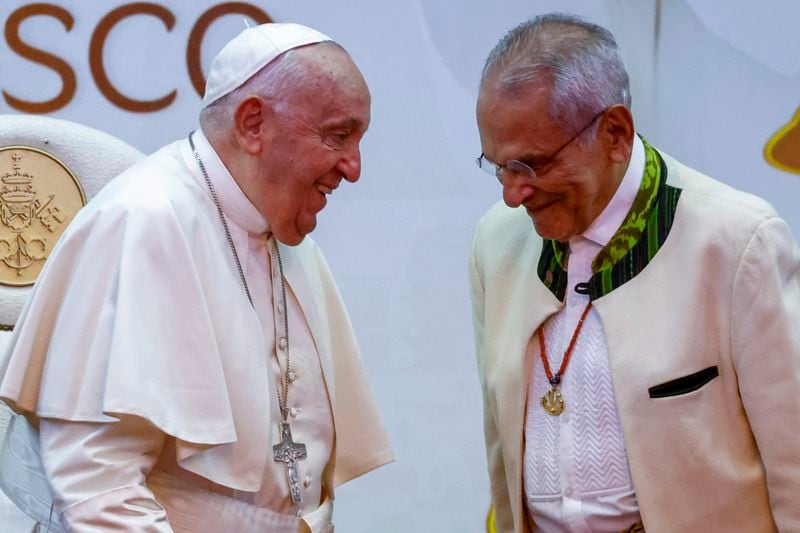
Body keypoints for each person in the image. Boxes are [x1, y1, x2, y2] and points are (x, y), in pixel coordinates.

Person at [0, 22, 392, 532]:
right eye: (337, 136)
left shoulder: (287, 241)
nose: (354, 168)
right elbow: (99, 486)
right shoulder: (143, 222)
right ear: (253, 123)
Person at [470, 13, 800, 533]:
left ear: (615, 133)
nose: (513, 194)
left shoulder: (739, 243)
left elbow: (795, 461)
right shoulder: (496, 241)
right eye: (500, 167)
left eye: (532, 165)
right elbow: (500, 445)